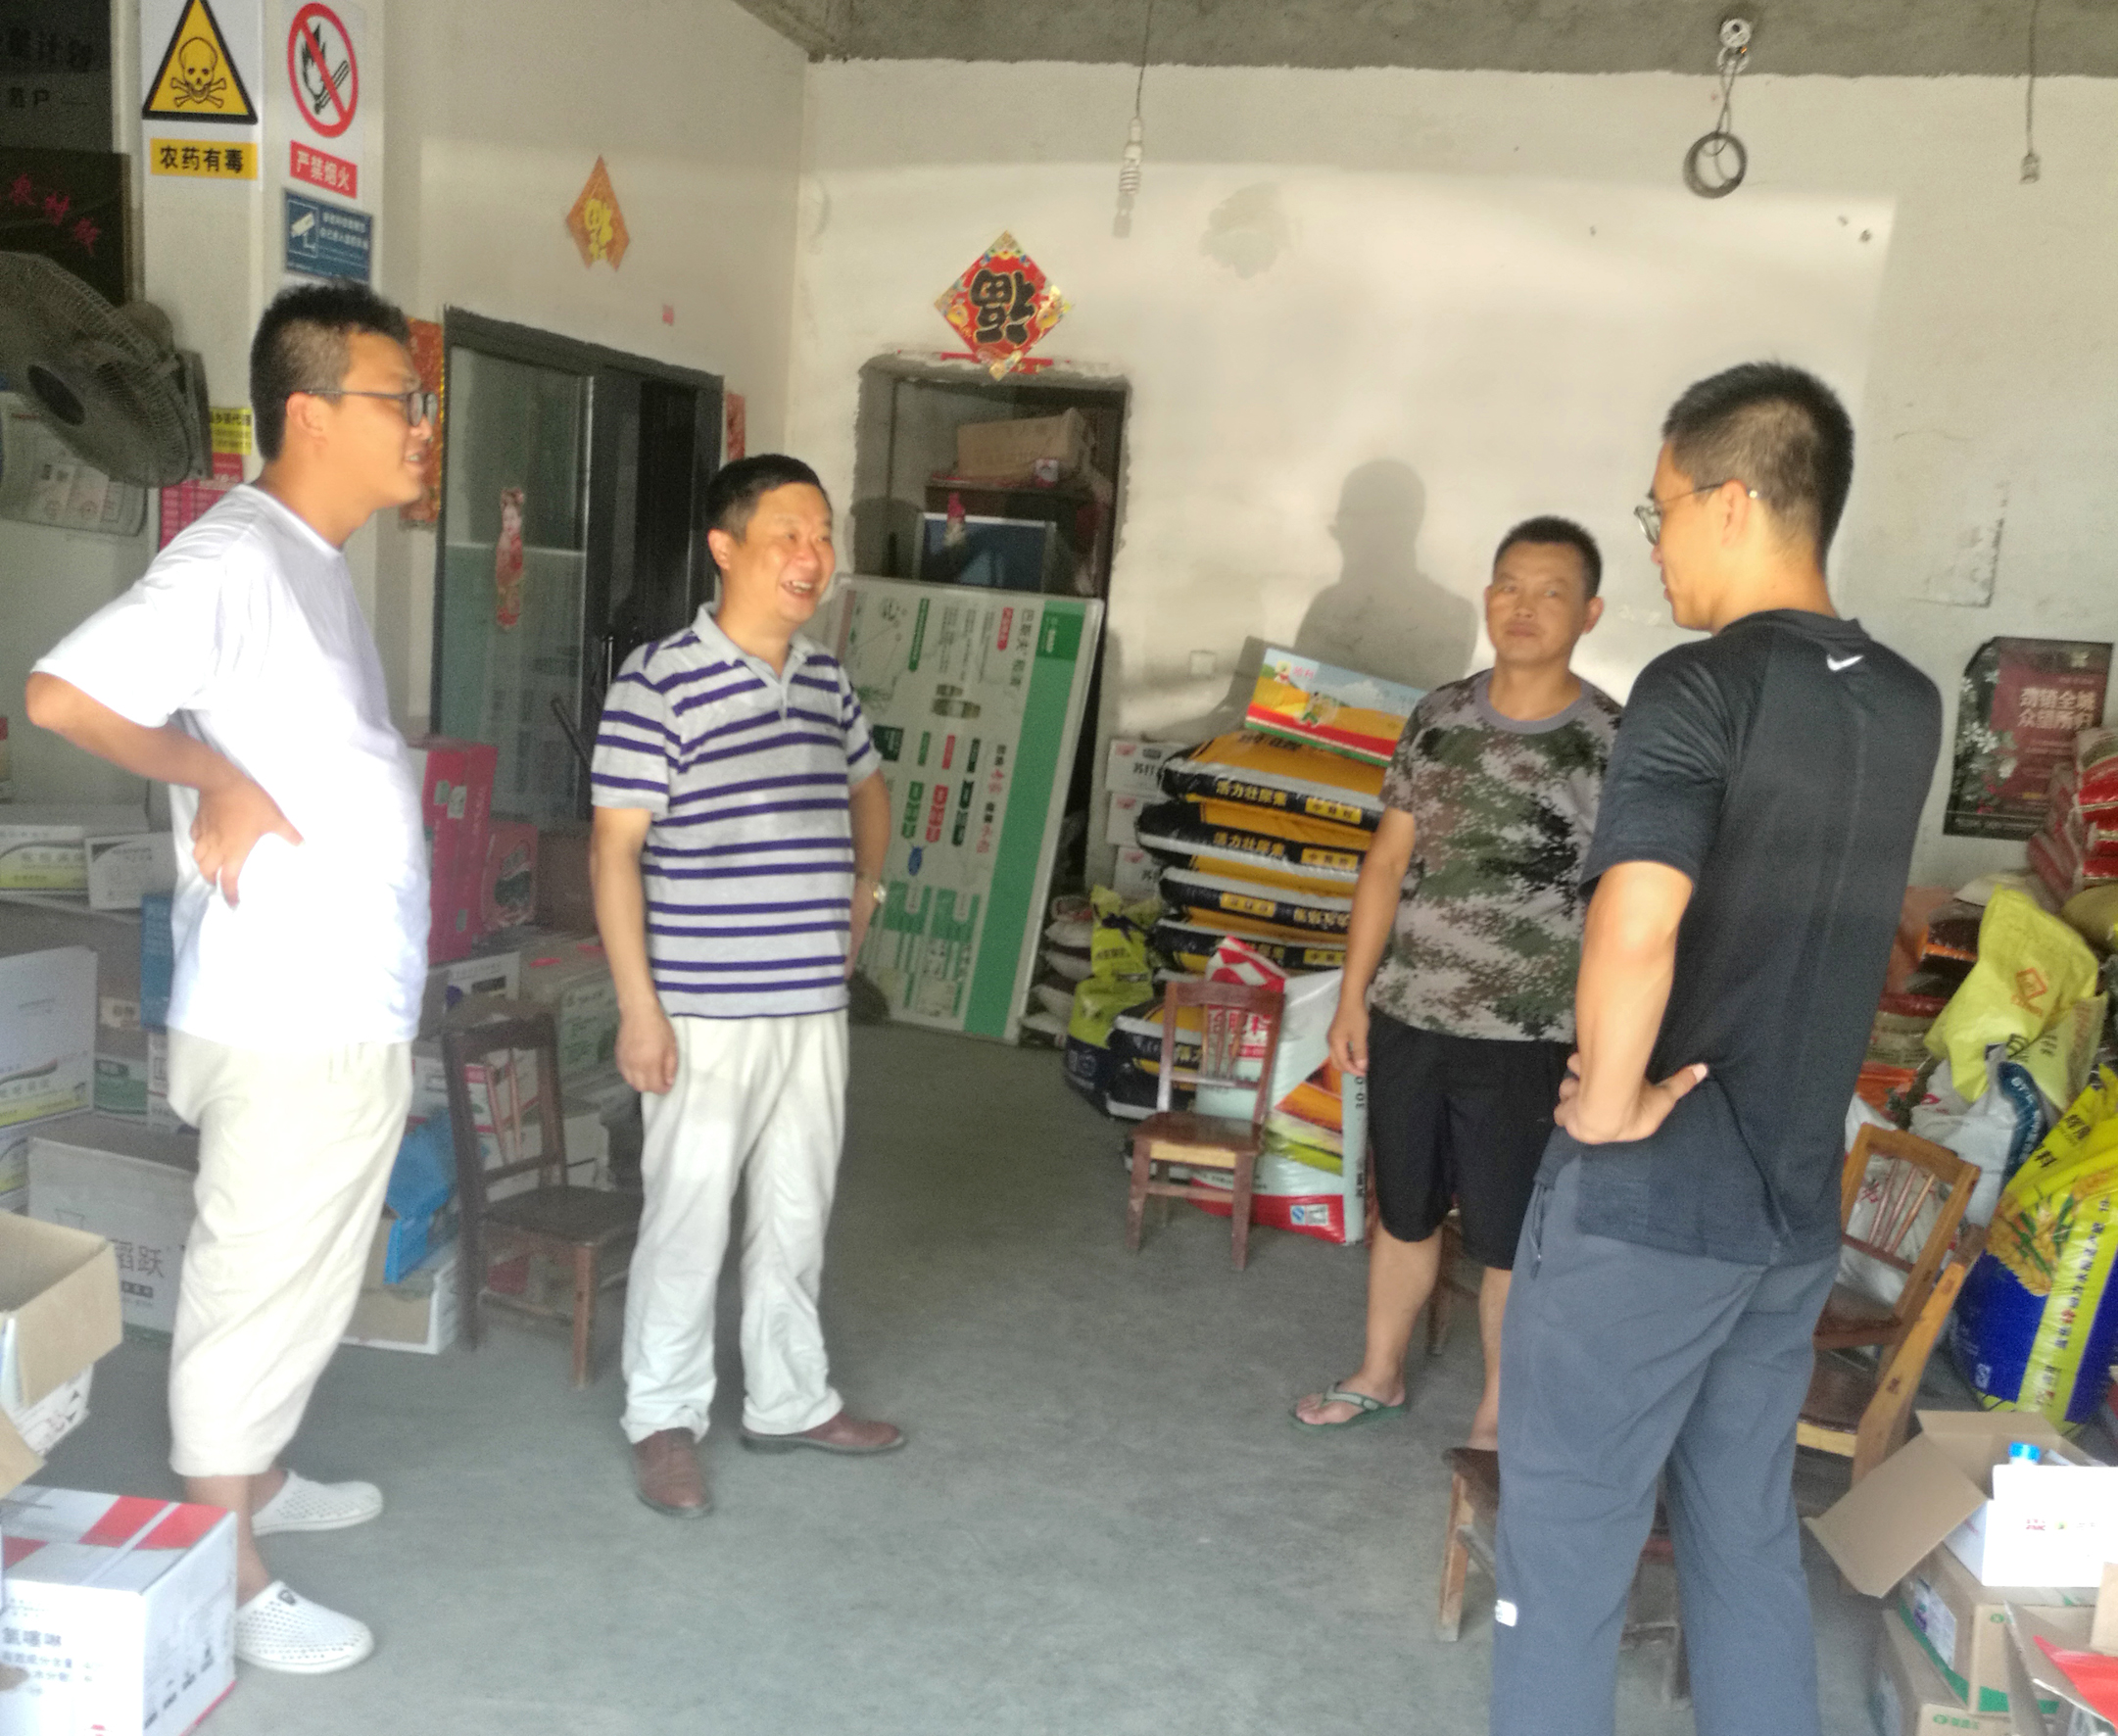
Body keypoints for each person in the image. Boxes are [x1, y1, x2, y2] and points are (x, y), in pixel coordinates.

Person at [1488, 364, 1942, 1736]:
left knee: (1563, 1550)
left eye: (1659, 509)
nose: (1655, 541)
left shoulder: (1697, 685)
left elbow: (1637, 922)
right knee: (1740, 1535)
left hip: (1649, 1209)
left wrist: (1608, 1103)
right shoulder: (1905, 700)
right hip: (1789, 1205)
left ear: (1730, 500)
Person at [25, 284, 438, 1673]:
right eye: (401, 399)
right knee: (252, 1282)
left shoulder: (310, 563)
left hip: (333, 1004)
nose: (421, 426)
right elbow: (65, 694)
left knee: (304, 1273)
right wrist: (214, 776)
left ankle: (256, 1475)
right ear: (310, 413)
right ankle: (229, 1565)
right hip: (285, 1012)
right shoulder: (239, 557)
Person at [590, 453, 902, 1519]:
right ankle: (662, 1417)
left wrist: (863, 896)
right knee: (688, 1219)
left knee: (796, 1210)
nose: (811, 556)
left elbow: (869, 788)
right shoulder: (658, 681)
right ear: (724, 548)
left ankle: (789, 1397)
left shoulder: (823, 680)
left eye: (821, 534)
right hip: (702, 1008)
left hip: (810, 1002)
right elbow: (614, 850)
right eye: (786, 535)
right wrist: (640, 1008)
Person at [1294, 516, 1618, 1447]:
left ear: (1589, 613)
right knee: (1402, 1209)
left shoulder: (1611, 739)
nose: (1524, 606)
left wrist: (1606, 1043)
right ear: (1487, 597)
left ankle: (1496, 1412)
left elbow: (1625, 906)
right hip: (1411, 1016)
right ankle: (1380, 1372)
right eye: (1509, 585)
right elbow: (1387, 863)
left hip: (1530, 1034)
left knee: (1508, 1236)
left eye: (1551, 591)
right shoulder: (1439, 715)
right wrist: (1354, 996)